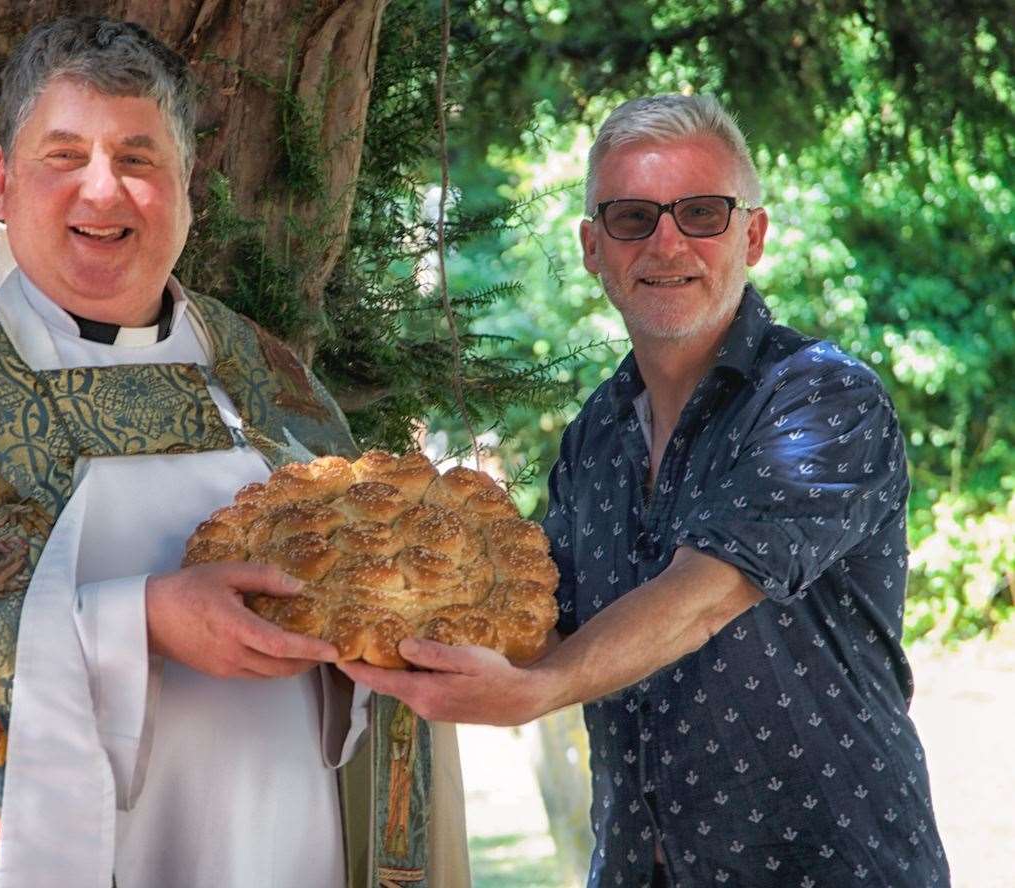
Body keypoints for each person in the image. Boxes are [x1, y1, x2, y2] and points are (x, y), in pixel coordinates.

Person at [0, 16, 466, 888]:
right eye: (64, 156)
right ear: (1, 181)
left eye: (138, 160)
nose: (102, 192)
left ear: (185, 188)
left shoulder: (269, 384)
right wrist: (137, 626)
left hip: (283, 848)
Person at [342, 94, 949, 887]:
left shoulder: (823, 397)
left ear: (752, 235)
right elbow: (541, 623)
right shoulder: (595, 433)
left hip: (830, 866)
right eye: (632, 218)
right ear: (593, 249)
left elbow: (705, 592)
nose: (667, 241)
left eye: (701, 212)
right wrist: (367, 611)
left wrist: (539, 690)